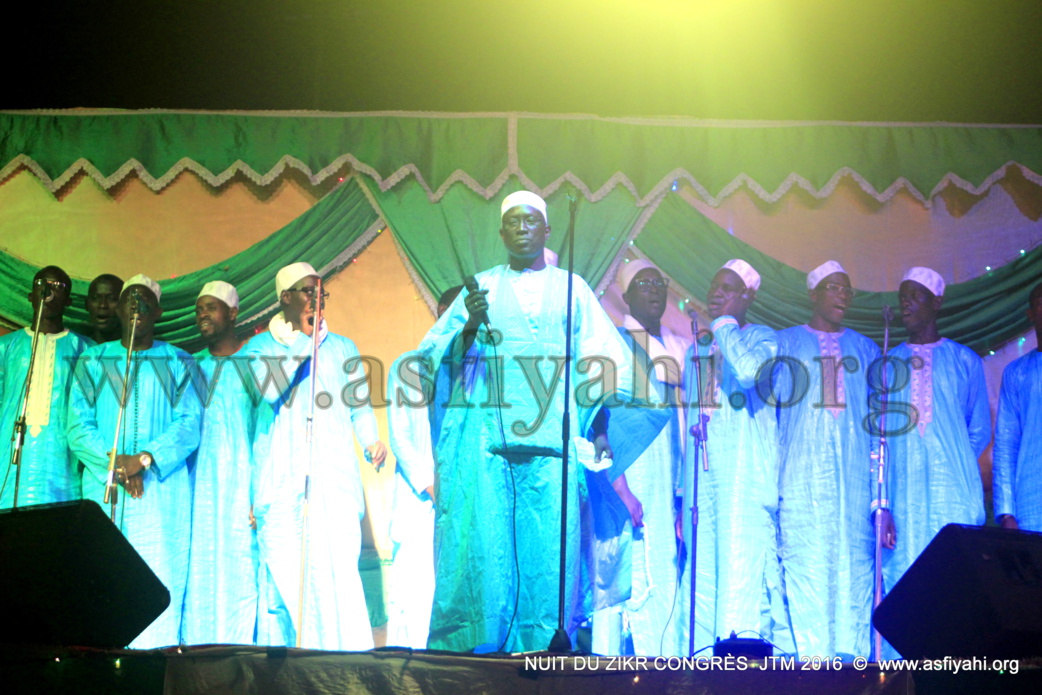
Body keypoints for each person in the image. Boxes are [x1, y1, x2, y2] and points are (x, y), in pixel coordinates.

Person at [419, 190, 642, 653]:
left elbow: (602, 363)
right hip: (488, 454)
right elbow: (428, 360)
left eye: (531, 222)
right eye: (513, 223)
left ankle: (546, 651)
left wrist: (599, 431)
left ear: (546, 231)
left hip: (553, 451)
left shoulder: (572, 288)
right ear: (501, 233)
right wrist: (468, 327)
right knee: (488, 553)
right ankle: (484, 651)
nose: (522, 230)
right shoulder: (478, 287)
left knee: (549, 554)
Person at [243, 262, 386, 651]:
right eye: (309, 292)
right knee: (291, 581)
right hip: (281, 482)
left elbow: (359, 405)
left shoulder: (342, 347)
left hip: (333, 482)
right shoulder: (258, 348)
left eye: (321, 293)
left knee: (337, 574)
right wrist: (307, 342)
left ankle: (347, 665)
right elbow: (270, 389)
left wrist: (371, 440)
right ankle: (300, 667)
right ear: (286, 298)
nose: (317, 300)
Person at [68, 274, 201, 648]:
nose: (136, 308)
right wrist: (118, 464)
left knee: (158, 571)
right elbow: (77, 426)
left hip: (160, 493)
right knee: (103, 573)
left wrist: (143, 460)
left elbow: (189, 424)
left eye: (144, 302)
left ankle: (157, 666)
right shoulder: (93, 360)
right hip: (104, 487)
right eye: (129, 300)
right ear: (119, 309)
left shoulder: (179, 360)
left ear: (158, 311)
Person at [679, 259, 788, 652]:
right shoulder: (698, 348)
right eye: (713, 286)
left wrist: (723, 324)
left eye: (727, 288)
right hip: (703, 484)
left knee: (741, 571)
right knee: (704, 575)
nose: (716, 293)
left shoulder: (765, 340)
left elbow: (745, 373)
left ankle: (742, 674)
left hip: (745, 481)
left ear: (748, 296)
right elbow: (688, 421)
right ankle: (698, 672)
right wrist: (681, 494)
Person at [775, 261, 881, 659]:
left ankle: (853, 671)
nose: (842, 296)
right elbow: (772, 419)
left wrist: (877, 498)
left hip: (854, 490)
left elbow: (878, 430)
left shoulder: (867, 350)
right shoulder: (784, 344)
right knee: (804, 570)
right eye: (834, 288)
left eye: (848, 290)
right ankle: (805, 671)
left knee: (852, 573)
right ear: (813, 294)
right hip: (798, 483)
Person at [594, 260, 687, 656]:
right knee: (620, 586)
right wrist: (620, 487)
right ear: (627, 296)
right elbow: (601, 421)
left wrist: (682, 496)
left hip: (665, 488)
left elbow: (678, 429)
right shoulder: (614, 343)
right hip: (625, 486)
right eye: (643, 283)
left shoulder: (676, 347)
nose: (654, 289)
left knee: (663, 582)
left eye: (660, 282)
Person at [883, 267, 990, 594]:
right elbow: (880, 438)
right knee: (906, 581)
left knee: (955, 581)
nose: (906, 304)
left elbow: (979, 429)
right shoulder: (888, 363)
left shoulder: (965, 360)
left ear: (937, 302)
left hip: (954, 494)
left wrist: (950, 465)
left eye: (915, 296)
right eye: (902, 298)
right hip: (904, 494)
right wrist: (882, 505)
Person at [181, 281, 260, 645]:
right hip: (196, 486)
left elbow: (264, 433)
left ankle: (239, 651)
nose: (202, 316)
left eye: (211, 308)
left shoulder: (254, 365)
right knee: (199, 567)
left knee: (239, 564)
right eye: (199, 309)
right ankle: (197, 650)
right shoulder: (188, 367)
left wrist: (258, 493)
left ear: (232, 314)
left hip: (241, 484)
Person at [384, 285, 461, 649]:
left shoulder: (476, 367)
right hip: (421, 500)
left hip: (461, 498)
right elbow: (399, 433)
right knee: (415, 591)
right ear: (440, 312)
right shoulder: (408, 365)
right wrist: (430, 483)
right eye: (450, 312)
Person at [0, 266, 93, 509]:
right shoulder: (5, 347)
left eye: (57, 287)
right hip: (7, 462)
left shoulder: (86, 350)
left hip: (62, 465)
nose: (48, 291)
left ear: (69, 301)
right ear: (31, 295)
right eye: (42, 284)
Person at [993, 280, 1042, 532]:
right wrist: (1006, 512)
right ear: (1030, 314)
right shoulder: (1016, 372)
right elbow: (1005, 445)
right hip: (1031, 505)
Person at [85, 274, 123, 344]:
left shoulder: (135, 351)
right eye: (96, 298)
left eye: (111, 299)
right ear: (86, 305)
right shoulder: (78, 348)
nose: (102, 305)